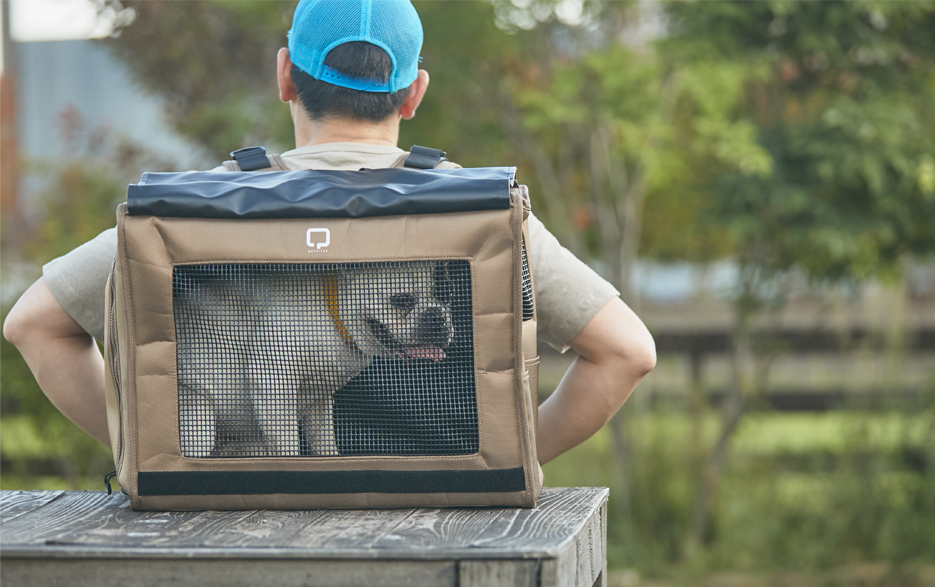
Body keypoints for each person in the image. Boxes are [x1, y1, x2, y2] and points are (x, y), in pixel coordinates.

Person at [3, 0, 655, 465]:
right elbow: (627, 352)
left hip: (220, 522)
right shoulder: (482, 211)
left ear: (285, 74)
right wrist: (508, 454)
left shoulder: (194, 207)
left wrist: (142, 446)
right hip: (435, 528)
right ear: (414, 92)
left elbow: (33, 323)